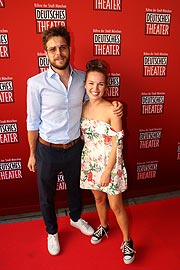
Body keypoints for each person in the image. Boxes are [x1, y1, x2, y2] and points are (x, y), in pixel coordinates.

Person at [26, 26, 123, 256]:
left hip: (75, 147)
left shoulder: (82, 78)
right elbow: (32, 121)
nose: (58, 53)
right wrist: (32, 153)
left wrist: (115, 107)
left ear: (69, 49)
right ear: (46, 53)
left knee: (75, 190)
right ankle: (52, 231)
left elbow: (96, 98)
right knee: (46, 195)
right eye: (52, 49)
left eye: (62, 47)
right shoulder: (36, 83)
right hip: (47, 149)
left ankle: (76, 218)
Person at [80, 59, 135, 264]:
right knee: (99, 200)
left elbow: (117, 144)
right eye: (91, 83)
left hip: (110, 165)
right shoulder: (82, 107)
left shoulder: (113, 109)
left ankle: (127, 241)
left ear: (106, 86)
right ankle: (103, 226)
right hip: (90, 163)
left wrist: (107, 171)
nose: (96, 88)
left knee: (117, 206)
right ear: (85, 84)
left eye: (101, 84)